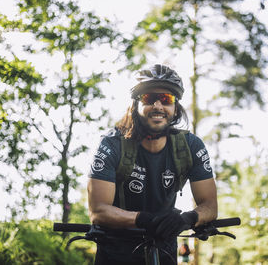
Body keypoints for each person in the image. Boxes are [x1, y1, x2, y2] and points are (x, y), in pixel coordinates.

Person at [87, 64, 218, 265]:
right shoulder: (112, 145)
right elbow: (98, 211)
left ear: (175, 108)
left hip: (164, 251)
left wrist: (189, 218)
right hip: (115, 253)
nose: (158, 106)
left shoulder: (191, 146)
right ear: (136, 105)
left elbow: (210, 205)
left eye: (167, 99)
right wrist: (142, 219)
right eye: (149, 98)